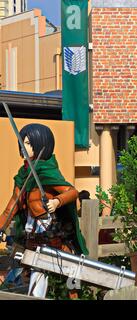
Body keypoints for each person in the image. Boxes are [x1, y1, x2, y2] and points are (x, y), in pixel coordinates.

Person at [0, 123, 88, 298]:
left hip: (51, 238)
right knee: (16, 274)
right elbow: (11, 207)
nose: (23, 147)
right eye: (22, 143)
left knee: (71, 279)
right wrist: (1, 226)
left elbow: (72, 192)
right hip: (30, 239)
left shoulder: (47, 171)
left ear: (41, 144)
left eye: (28, 143)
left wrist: (56, 201)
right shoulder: (22, 176)